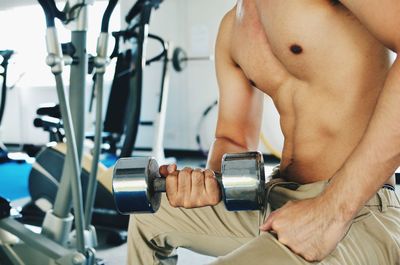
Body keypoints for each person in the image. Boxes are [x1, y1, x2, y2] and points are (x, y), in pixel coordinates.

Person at [127, 0, 400, 264]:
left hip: (356, 207)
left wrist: (333, 211)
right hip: (276, 196)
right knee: (149, 215)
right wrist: (205, 185)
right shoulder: (232, 26)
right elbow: (232, 139)